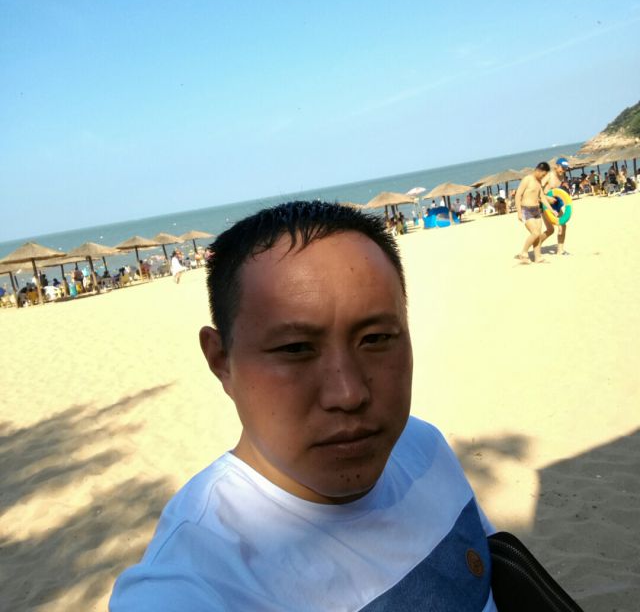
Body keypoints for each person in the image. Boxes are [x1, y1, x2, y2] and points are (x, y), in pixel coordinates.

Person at [110, 201, 499, 611]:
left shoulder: (422, 446)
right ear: (221, 361)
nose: (348, 394)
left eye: (376, 339)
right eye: (296, 349)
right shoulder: (195, 580)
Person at [514, 162, 557, 263]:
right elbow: (518, 195)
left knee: (537, 236)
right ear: (538, 170)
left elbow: (542, 198)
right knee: (535, 233)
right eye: (543, 174)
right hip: (526, 210)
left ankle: (538, 257)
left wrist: (552, 210)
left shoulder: (539, 182)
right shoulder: (527, 179)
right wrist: (519, 212)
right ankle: (523, 252)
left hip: (537, 211)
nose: (543, 177)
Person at [539, 157, 571, 256]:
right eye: (562, 168)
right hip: (545, 204)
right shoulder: (549, 176)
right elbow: (537, 189)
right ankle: (537, 244)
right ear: (556, 166)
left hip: (556, 203)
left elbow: (557, 191)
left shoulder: (562, 176)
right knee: (550, 230)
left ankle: (560, 250)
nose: (564, 170)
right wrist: (546, 198)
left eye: (565, 168)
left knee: (563, 225)